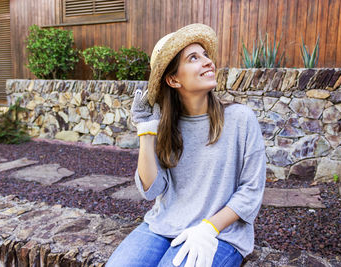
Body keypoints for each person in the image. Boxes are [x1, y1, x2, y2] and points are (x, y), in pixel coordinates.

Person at [106, 23, 266, 267]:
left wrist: (209, 227)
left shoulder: (241, 119)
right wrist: (146, 130)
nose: (207, 62)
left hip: (221, 233)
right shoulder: (166, 126)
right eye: (194, 57)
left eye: (205, 55)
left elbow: (251, 190)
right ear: (173, 79)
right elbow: (151, 189)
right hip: (163, 225)